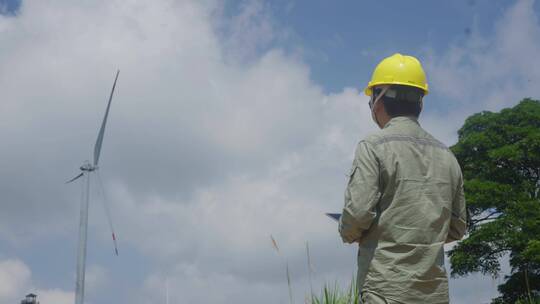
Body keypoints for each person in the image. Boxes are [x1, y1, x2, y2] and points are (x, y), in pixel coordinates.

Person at [338, 53, 467, 304]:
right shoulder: (447, 155)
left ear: (379, 99)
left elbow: (357, 215)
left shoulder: (373, 146)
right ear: (420, 102)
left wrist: (348, 231)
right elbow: (457, 226)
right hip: (434, 293)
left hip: (384, 290)